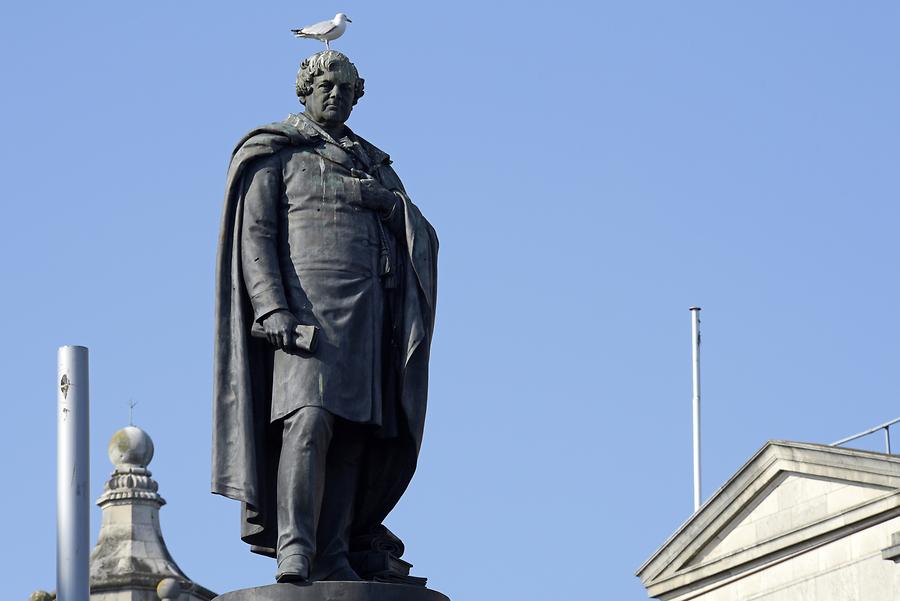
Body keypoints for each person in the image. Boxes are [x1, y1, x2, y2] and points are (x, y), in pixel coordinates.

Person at [211, 50, 438, 583]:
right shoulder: (277, 154)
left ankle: (334, 551)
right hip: (304, 317)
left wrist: (389, 205)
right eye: (325, 85)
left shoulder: (376, 164)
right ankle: (296, 546)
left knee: (355, 434)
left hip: (367, 315)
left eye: (345, 88)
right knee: (307, 423)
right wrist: (271, 307)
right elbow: (257, 237)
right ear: (305, 90)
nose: (335, 94)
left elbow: (421, 234)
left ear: (358, 95)